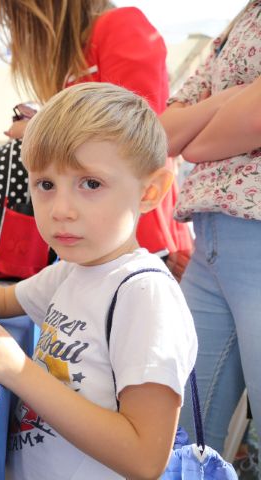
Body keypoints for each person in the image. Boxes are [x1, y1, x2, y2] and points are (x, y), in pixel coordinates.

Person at [0, 83, 197, 479]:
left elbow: (144, 457)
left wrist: (18, 370)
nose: (61, 210)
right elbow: (4, 301)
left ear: (151, 191)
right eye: (46, 185)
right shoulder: (73, 269)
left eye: (91, 184)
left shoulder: (144, 294)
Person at [0, 0, 193, 279]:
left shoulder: (121, 26)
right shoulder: (82, 49)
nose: (20, 31)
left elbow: (140, 136)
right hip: (99, 246)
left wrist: (36, 129)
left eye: (19, 17)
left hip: (139, 241)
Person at [159, 0, 261, 454]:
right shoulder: (242, 17)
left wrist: (197, 129)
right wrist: (231, 99)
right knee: (183, 429)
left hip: (246, 236)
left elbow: (196, 144)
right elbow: (163, 134)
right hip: (210, 243)